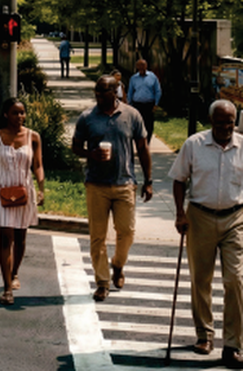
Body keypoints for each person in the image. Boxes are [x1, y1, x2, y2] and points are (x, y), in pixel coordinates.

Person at [169, 100, 243, 365]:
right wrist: (180, 213)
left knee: (235, 280)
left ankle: (233, 344)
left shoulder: (242, 146)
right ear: (211, 121)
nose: (225, 127)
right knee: (201, 279)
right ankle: (204, 335)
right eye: (220, 121)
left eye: (230, 121)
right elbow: (179, 179)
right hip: (199, 216)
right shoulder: (194, 145)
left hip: (235, 218)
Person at [72, 75, 152, 302]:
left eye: (103, 92)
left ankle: (118, 264)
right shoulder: (87, 117)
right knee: (97, 237)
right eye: (96, 92)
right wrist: (91, 154)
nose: (98, 96)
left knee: (126, 232)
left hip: (125, 183)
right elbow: (76, 147)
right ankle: (102, 282)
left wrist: (148, 181)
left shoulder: (131, 115)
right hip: (96, 185)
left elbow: (143, 148)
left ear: (115, 91)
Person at [0, 97, 45, 306]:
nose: (20, 117)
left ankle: (14, 272)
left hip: (25, 191)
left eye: (22, 112)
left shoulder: (33, 137)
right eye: (15, 113)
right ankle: (7, 288)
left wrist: (42, 188)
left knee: (21, 238)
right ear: (6, 114)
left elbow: (38, 165)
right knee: (6, 239)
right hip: (2, 190)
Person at [127, 58, 163, 142]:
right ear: (137, 66)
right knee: (137, 125)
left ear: (146, 66)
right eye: (139, 65)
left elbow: (158, 91)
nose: (141, 67)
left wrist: (156, 104)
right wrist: (130, 104)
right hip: (137, 104)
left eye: (143, 65)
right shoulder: (133, 78)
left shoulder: (152, 77)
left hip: (149, 104)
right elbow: (130, 92)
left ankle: (147, 142)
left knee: (149, 125)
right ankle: (138, 142)